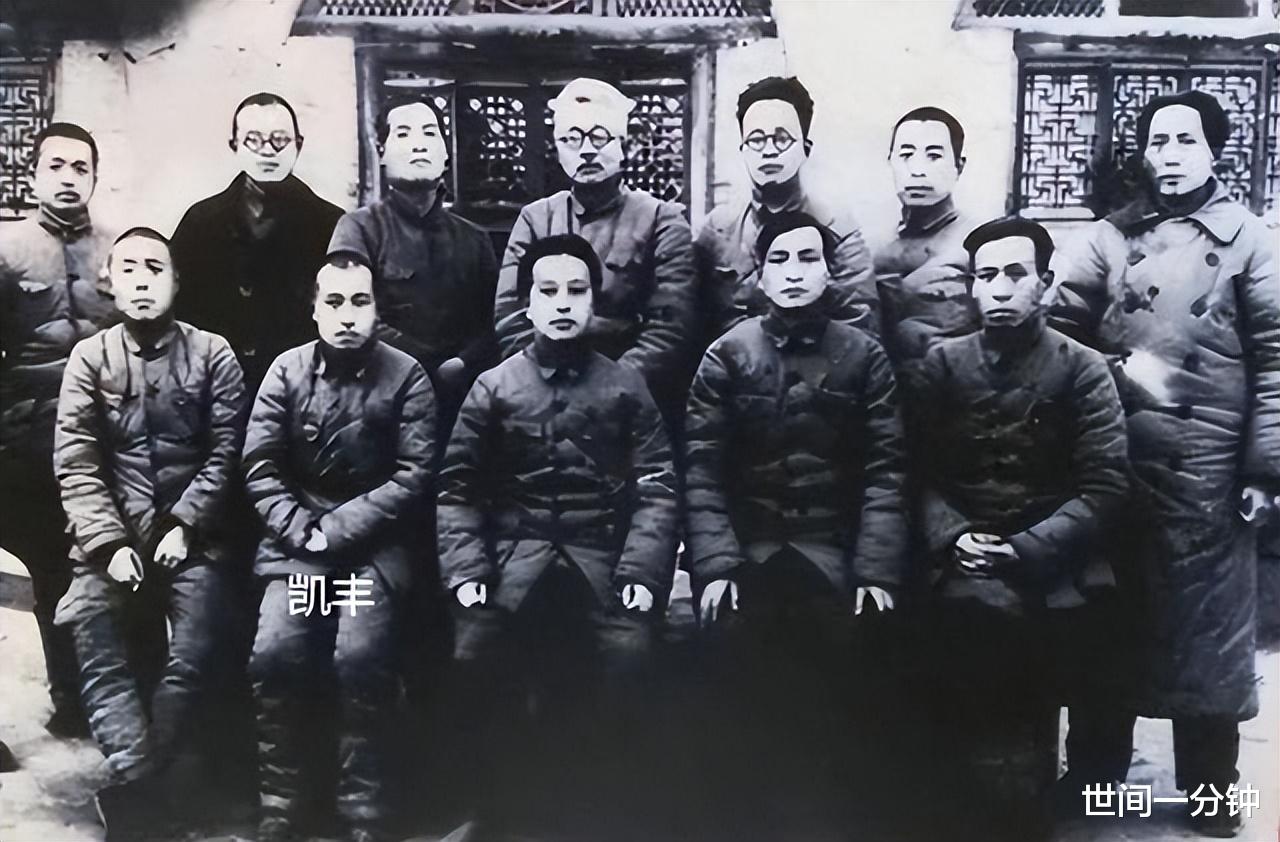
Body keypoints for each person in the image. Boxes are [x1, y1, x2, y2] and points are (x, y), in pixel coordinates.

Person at [1050, 89, 1279, 838]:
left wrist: (1264, 472)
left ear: (1215, 151)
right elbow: (1059, 330)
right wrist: (1121, 376)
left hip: (1209, 471)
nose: (1170, 154)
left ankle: (1212, 792)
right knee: (1110, 618)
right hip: (1114, 459)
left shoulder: (1251, 241)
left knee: (1208, 636)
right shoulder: (1109, 238)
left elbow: (1277, 362)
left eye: (1186, 140)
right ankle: (1096, 780)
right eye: (1158, 140)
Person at [440, 234, 678, 835]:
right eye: (548, 291)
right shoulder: (494, 386)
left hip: (602, 562)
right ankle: (491, 813)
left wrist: (641, 572)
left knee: (627, 659)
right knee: (475, 655)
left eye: (577, 290)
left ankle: (606, 814)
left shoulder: (625, 385)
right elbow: (456, 490)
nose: (564, 303)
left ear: (595, 301)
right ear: (527, 303)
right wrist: (468, 571)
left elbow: (657, 485)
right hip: (513, 562)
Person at [684, 211, 907, 835]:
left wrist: (875, 571)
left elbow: (887, 470)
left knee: (845, 656)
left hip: (832, 551)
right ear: (758, 274)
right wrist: (717, 565)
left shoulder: (866, 357)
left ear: (830, 273)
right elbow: (700, 470)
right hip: (749, 552)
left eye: (808, 259)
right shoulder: (727, 355)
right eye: (778, 260)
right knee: (732, 655)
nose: (793, 273)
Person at [910, 218, 1129, 841]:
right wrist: (952, 535)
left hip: (1056, 561)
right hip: (962, 555)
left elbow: (1105, 485)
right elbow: (913, 473)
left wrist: (1026, 548)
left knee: (1079, 642)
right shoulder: (942, 364)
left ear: (1046, 283)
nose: (1000, 289)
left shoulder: (1083, 368)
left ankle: (1043, 795)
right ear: (971, 288)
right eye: (986, 276)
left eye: (1015, 274)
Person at [52, 228, 246, 840]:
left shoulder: (213, 353)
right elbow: (77, 463)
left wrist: (186, 524)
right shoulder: (89, 359)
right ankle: (141, 781)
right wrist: (109, 546)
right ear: (109, 281)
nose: (142, 280)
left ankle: (141, 796)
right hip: (110, 543)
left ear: (176, 282)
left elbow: (227, 453)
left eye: (155, 268)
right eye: (129, 268)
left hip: (196, 541)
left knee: (195, 652)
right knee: (95, 639)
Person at [243, 254, 435, 842]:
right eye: (333, 302)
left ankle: (362, 812)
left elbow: (414, 474)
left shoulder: (407, 376)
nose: (346, 316)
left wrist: (340, 529)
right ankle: (282, 803)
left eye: (359, 301)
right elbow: (260, 466)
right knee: (276, 652)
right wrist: (304, 530)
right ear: (314, 309)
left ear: (377, 309)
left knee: (359, 656)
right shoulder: (285, 372)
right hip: (299, 547)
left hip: (373, 550)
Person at [0, 122, 117, 739]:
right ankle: (68, 694)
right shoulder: (7, 250)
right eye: (55, 166)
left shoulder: (121, 248)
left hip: (105, 437)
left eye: (80, 168)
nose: (68, 178)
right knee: (49, 567)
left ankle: (100, 698)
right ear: (33, 175)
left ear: (95, 177)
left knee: (102, 567)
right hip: (28, 437)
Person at [492, 78, 695, 423]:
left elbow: (670, 327)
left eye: (599, 136)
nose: (586, 150)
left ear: (624, 145)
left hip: (630, 400)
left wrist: (611, 388)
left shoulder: (662, 219)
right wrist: (545, 384)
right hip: (541, 399)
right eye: (571, 139)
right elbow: (510, 315)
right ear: (558, 150)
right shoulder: (536, 219)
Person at [327, 95, 498, 434]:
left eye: (429, 133)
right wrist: (430, 367)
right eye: (403, 134)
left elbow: (494, 322)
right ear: (382, 152)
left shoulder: (475, 239)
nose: (419, 144)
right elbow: (350, 313)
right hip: (377, 401)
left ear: (446, 153)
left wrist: (462, 363)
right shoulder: (358, 229)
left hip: (462, 402)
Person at [172, 92, 343, 392]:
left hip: (305, 384)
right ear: (234, 146)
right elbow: (180, 310)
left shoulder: (330, 223)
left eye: (279, 140)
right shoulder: (200, 221)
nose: (267, 151)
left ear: (298, 145)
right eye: (253, 140)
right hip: (216, 384)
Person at [695, 76, 878, 344]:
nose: (769, 151)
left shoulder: (837, 229)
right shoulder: (718, 229)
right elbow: (693, 322)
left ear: (805, 149)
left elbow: (859, 329)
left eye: (782, 139)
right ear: (743, 149)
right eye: (756, 140)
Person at [875, 106, 982, 382]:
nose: (917, 171)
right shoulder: (870, 245)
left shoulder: (979, 244)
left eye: (934, 156)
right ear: (890, 162)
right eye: (906, 155)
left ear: (959, 166)